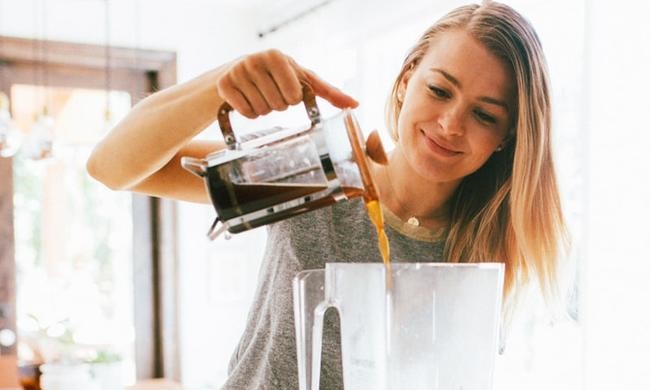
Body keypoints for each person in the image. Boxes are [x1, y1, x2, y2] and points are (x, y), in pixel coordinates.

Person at [87, 0, 568, 388]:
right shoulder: (316, 173)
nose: (450, 124)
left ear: (506, 137)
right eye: (440, 90)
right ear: (406, 82)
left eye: (485, 115)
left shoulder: (487, 251)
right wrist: (221, 86)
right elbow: (111, 167)